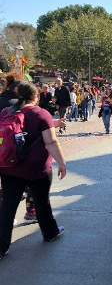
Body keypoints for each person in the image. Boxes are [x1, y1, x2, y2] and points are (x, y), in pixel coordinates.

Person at [0, 81, 66, 259]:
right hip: (36, 168)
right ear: (35, 97)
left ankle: (1, 246)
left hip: (9, 167)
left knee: (7, 206)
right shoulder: (40, 113)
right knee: (41, 201)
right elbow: (50, 142)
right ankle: (50, 233)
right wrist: (61, 162)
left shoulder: (6, 112)